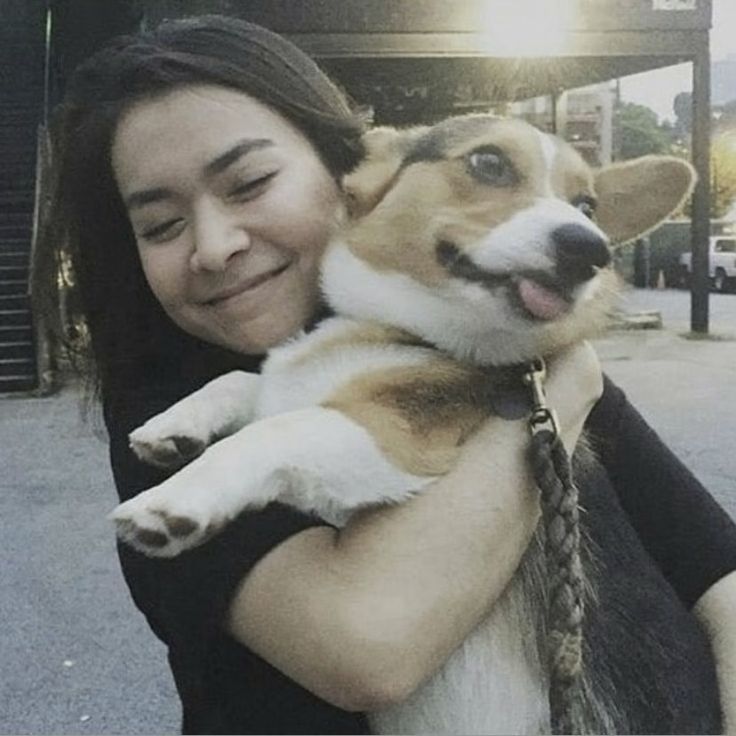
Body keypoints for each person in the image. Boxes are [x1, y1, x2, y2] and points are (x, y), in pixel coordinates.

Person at [38, 14, 736, 735]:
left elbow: (720, 574)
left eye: (249, 182)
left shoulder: (497, 332)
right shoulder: (166, 422)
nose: (214, 246)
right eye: (159, 225)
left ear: (350, 175)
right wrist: (561, 387)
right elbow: (369, 648)